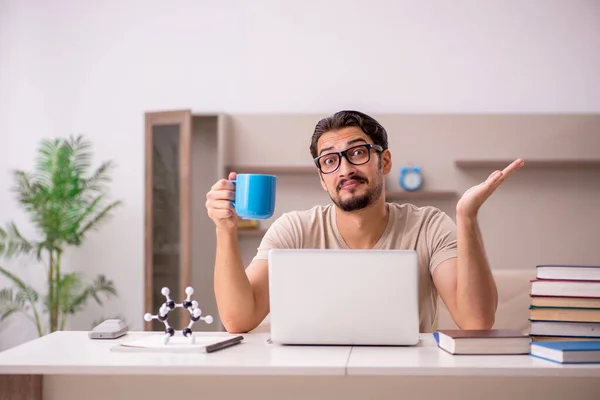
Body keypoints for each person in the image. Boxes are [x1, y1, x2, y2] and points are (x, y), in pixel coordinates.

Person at [205, 110, 524, 333]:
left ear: (384, 161)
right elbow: (238, 320)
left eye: (357, 153)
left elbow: (477, 321)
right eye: (330, 160)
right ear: (321, 177)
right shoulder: (295, 230)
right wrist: (225, 230)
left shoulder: (429, 226)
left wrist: (467, 217)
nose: (344, 170)